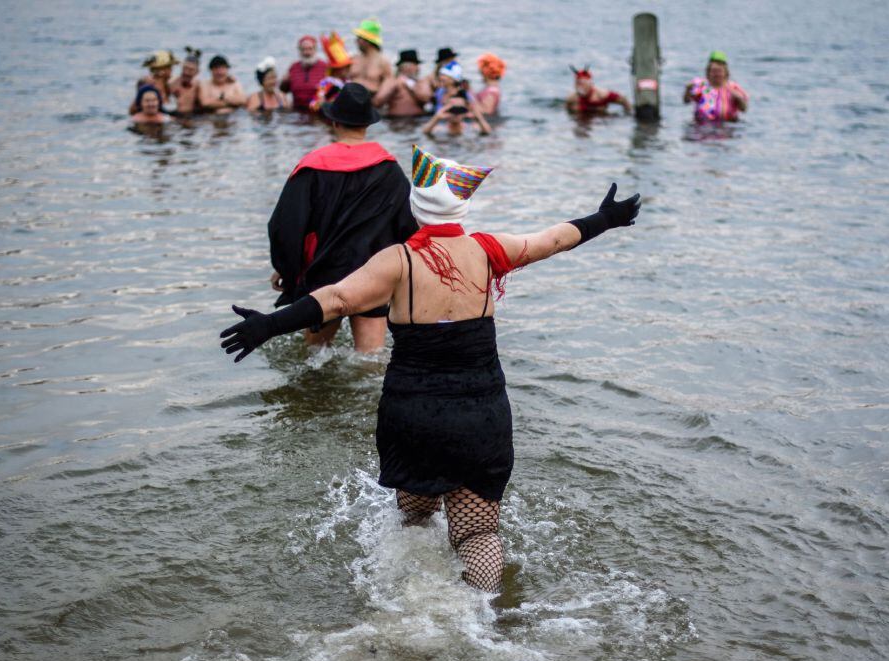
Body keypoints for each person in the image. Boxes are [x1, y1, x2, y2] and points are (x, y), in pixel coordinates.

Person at [220, 145, 641, 592]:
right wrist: (606, 219)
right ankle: (480, 618)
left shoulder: (397, 261)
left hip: (413, 414)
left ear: (414, 206)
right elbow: (553, 239)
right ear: (461, 206)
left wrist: (269, 324)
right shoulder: (487, 250)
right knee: (478, 533)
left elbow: (337, 299)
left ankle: (407, 601)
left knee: (416, 515)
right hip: (481, 414)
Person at [264, 83, 417, 352]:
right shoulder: (389, 168)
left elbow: (286, 226)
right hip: (374, 274)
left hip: (324, 273)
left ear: (334, 122)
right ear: (368, 123)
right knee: (370, 362)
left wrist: (287, 269)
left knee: (313, 358)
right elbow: (407, 225)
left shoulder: (312, 166)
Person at [684, 50, 748, 122]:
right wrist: (688, 90)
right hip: (702, 125)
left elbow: (744, 109)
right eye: (714, 71)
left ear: (725, 73)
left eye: (720, 71)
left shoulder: (733, 87)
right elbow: (686, 101)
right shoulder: (701, 85)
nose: (717, 74)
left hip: (728, 125)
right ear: (708, 73)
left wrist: (739, 98)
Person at [348, 18, 394, 99]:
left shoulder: (383, 62)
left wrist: (377, 101)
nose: (356, 41)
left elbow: (389, 84)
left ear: (367, 41)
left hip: (371, 101)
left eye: (359, 38)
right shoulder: (353, 59)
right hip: (351, 101)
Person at [376, 49, 431, 117]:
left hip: (418, 120)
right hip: (396, 120)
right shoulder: (393, 81)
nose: (418, 68)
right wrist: (394, 85)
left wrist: (410, 86)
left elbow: (425, 99)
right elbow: (378, 101)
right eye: (415, 65)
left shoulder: (421, 82)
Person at [280, 35, 328, 111]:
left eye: (310, 49)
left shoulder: (324, 67)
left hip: (318, 111)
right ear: (299, 51)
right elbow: (283, 91)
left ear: (315, 50)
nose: (307, 53)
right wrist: (284, 82)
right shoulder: (293, 67)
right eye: (303, 49)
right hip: (297, 111)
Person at [309, 32, 354, 113]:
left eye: (349, 67)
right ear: (337, 70)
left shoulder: (347, 82)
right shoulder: (326, 84)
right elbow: (313, 104)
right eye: (346, 68)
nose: (349, 70)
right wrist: (324, 103)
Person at [423, 87, 492, 137]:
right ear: (445, 110)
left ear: (465, 110)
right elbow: (425, 132)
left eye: (460, 109)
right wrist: (437, 117)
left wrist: (478, 116)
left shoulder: (472, 128)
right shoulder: (440, 129)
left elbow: (487, 132)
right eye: (453, 109)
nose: (456, 113)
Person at [566, 65, 632, 115]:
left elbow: (624, 100)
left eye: (584, 84)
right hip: (581, 120)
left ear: (591, 84)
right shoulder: (572, 98)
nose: (581, 87)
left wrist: (627, 114)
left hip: (600, 121)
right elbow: (567, 111)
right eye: (578, 84)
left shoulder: (601, 95)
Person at [169, 47, 203, 115]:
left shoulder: (199, 86)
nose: (186, 72)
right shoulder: (172, 84)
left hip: (193, 116)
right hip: (176, 116)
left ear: (197, 72)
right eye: (185, 68)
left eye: (191, 70)